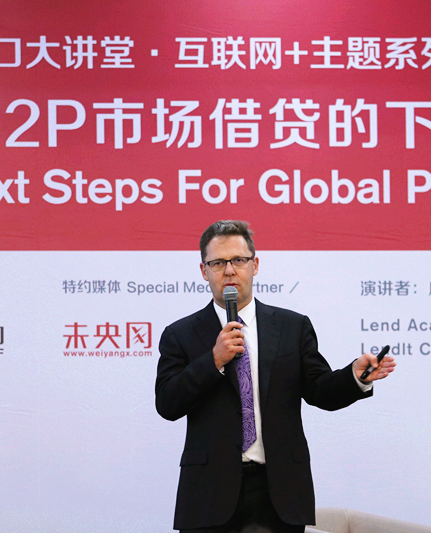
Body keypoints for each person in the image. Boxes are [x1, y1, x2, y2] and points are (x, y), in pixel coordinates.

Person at [155, 220, 396, 533]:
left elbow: (320, 390)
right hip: (209, 493)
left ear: (255, 265)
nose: (229, 271)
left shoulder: (291, 327)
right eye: (218, 263)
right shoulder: (180, 334)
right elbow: (168, 403)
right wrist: (213, 360)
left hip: (279, 491)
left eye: (238, 260)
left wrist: (355, 377)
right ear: (204, 271)